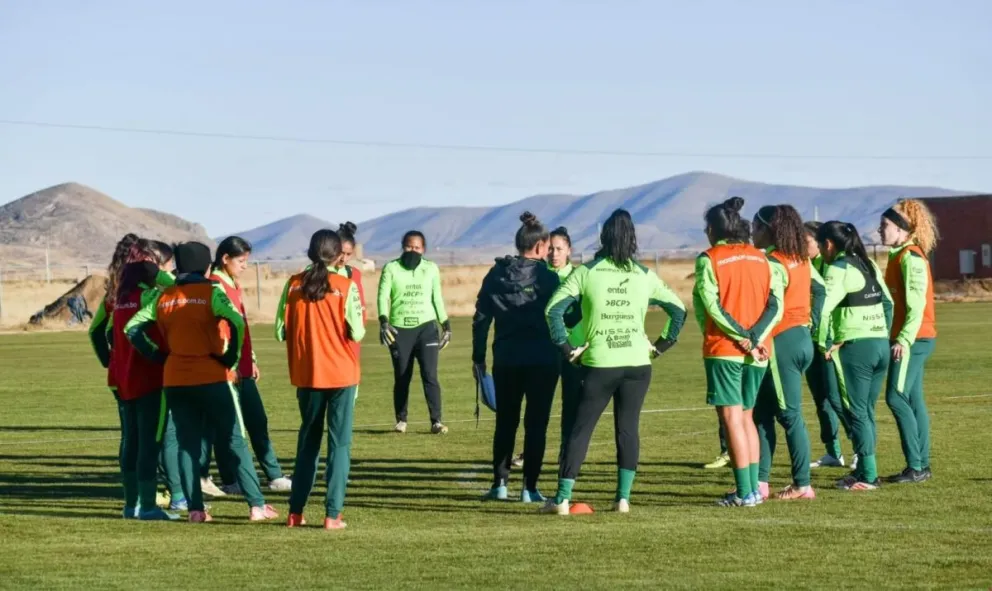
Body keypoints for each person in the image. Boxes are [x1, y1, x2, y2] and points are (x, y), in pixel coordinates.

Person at [542, 208, 687, 515]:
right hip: (637, 364)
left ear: (603, 237)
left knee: (581, 429)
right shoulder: (643, 274)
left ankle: (562, 499)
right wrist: (661, 346)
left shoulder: (587, 272)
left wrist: (567, 349)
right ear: (633, 239)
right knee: (628, 429)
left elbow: (552, 310)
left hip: (600, 363)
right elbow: (678, 309)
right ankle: (623, 498)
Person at [125, 241, 278, 522]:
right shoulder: (212, 291)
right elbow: (237, 321)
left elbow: (131, 327)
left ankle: (196, 509)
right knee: (234, 439)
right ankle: (256, 505)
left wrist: (158, 355)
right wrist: (230, 356)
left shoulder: (165, 296)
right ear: (208, 267)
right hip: (211, 375)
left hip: (175, 379)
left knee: (187, 444)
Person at [693, 197, 782, 507]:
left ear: (713, 229)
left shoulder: (709, 258)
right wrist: (755, 337)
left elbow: (711, 306)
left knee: (731, 418)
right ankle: (754, 489)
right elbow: (775, 305)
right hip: (759, 350)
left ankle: (745, 492)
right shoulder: (764, 259)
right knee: (747, 417)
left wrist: (741, 336)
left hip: (725, 349)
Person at [278, 229, 365, 530]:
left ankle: (295, 512)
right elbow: (358, 331)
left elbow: (280, 330)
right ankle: (332, 514)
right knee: (339, 445)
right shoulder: (345, 285)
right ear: (338, 254)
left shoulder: (292, 285)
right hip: (341, 374)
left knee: (308, 443)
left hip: (307, 375)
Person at [473, 212, 562, 503]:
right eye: (548, 247)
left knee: (505, 422)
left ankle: (499, 484)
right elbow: (567, 314)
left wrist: (478, 357)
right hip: (542, 360)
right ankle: (529, 488)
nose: (549, 252)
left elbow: (481, 319)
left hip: (506, 359)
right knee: (536, 423)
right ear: (539, 247)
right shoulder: (548, 278)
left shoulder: (495, 274)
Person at [209, 236, 292, 493]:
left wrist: (251, 358)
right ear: (225, 259)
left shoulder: (233, 283)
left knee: (257, 420)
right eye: (241, 261)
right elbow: (220, 331)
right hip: (227, 370)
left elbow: (241, 326)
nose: (245, 266)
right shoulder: (214, 286)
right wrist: (229, 363)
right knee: (228, 427)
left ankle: (273, 475)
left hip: (243, 367)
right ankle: (231, 479)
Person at [814, 221, 893, 491]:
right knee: (866, 411)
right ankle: (861, 471)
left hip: (856, 348)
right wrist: (882, 332)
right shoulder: (867, 263)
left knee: (857, 412)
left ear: (828, 244)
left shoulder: (838, 268)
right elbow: (888, 303)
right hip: (879, 343)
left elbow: (822, 309)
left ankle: (869, 476)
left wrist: (825, 343)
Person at [751, 205, 821, 500]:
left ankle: (803, 484)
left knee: (790, 414)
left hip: (782, 342)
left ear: (769, 229)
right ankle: (760, 483)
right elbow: (820, 289)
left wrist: (753, 336)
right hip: (801, 338)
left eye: (756, 227)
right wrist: (810, 319)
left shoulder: (774, 262)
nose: (752, 233)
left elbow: (774, 305)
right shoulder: (800, 259)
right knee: (763, 412)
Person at [111, 240, 180, 520]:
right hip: (151, 379)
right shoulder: (151, 297)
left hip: (124, 379)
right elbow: (176, 288)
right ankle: (149, 507)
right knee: (151, 443)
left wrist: (113, 361)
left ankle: (131, 505)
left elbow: (102, 334)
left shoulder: (117, 297)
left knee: (131, 441)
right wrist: (158, 357)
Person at [879, 200, 939, 483]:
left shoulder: (911, 258)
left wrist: (902, 338)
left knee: (895, 396)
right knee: (913, 400)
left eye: (885, 226)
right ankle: (920, 465)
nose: (880, 230)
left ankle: (916, 466)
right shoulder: (898, 255)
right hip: (913, 337)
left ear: (902, 230)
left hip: (913, 339)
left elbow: (916, 306)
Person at [377, 230, 451, 435]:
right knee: (402, 375)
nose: (413, 250)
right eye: (409, 246)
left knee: (430, 375)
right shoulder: (391, 268)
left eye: (417, 247)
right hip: (398, 329)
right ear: (403, 247)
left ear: (423, 249)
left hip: (426, 328)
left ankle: (436, 421)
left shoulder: (431, 269)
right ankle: (401, 420)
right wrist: (384, 321)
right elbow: (383, 297)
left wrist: (445, 324)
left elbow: (437, 298)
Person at [89, 232, 139, 491]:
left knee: (131, 433)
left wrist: (109, 361)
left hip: (119, 375)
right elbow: (98, 331)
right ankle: (150, 488)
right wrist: (109, 360)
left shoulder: (114, 294)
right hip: (137, 373)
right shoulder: (139, 293)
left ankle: (134, 489)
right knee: (149, 434)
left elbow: (96, 331)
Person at [804, 221, 853, 470]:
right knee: (821, 400)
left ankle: (859, 448)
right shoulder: (807, 266)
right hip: (811, 341)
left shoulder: (833, 267)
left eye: (808, 241)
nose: (803, 246)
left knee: (837, 398)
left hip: (829, 343)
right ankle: (833, 452)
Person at [547, 226, 584, 469]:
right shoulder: (540, 276)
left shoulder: (580, 276)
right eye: (550, 248)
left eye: (558, 248)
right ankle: (531, 450)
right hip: (545, 350)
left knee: (571, 404)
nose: (554, 253)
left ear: (569, 250)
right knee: (540, 404)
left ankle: (565, 452)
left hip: (573, 351)